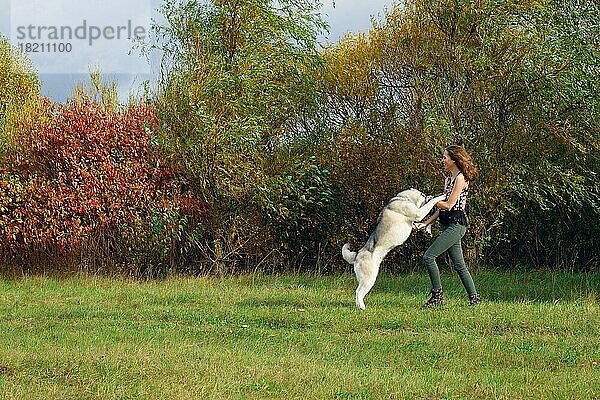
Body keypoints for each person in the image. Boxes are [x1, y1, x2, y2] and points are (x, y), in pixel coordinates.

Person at [412, 145, 481, 307]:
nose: (442, 160)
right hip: (446, 222)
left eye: (445, 157)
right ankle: (475, 299)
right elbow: (439, 209)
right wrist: (424, 223)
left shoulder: (460, 178)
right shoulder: (448, 179)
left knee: (429, 257)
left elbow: (449, 205)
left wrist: (431, 200)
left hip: (456, 224)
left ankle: (437, 297)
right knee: (459, 265)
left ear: (454, 159)